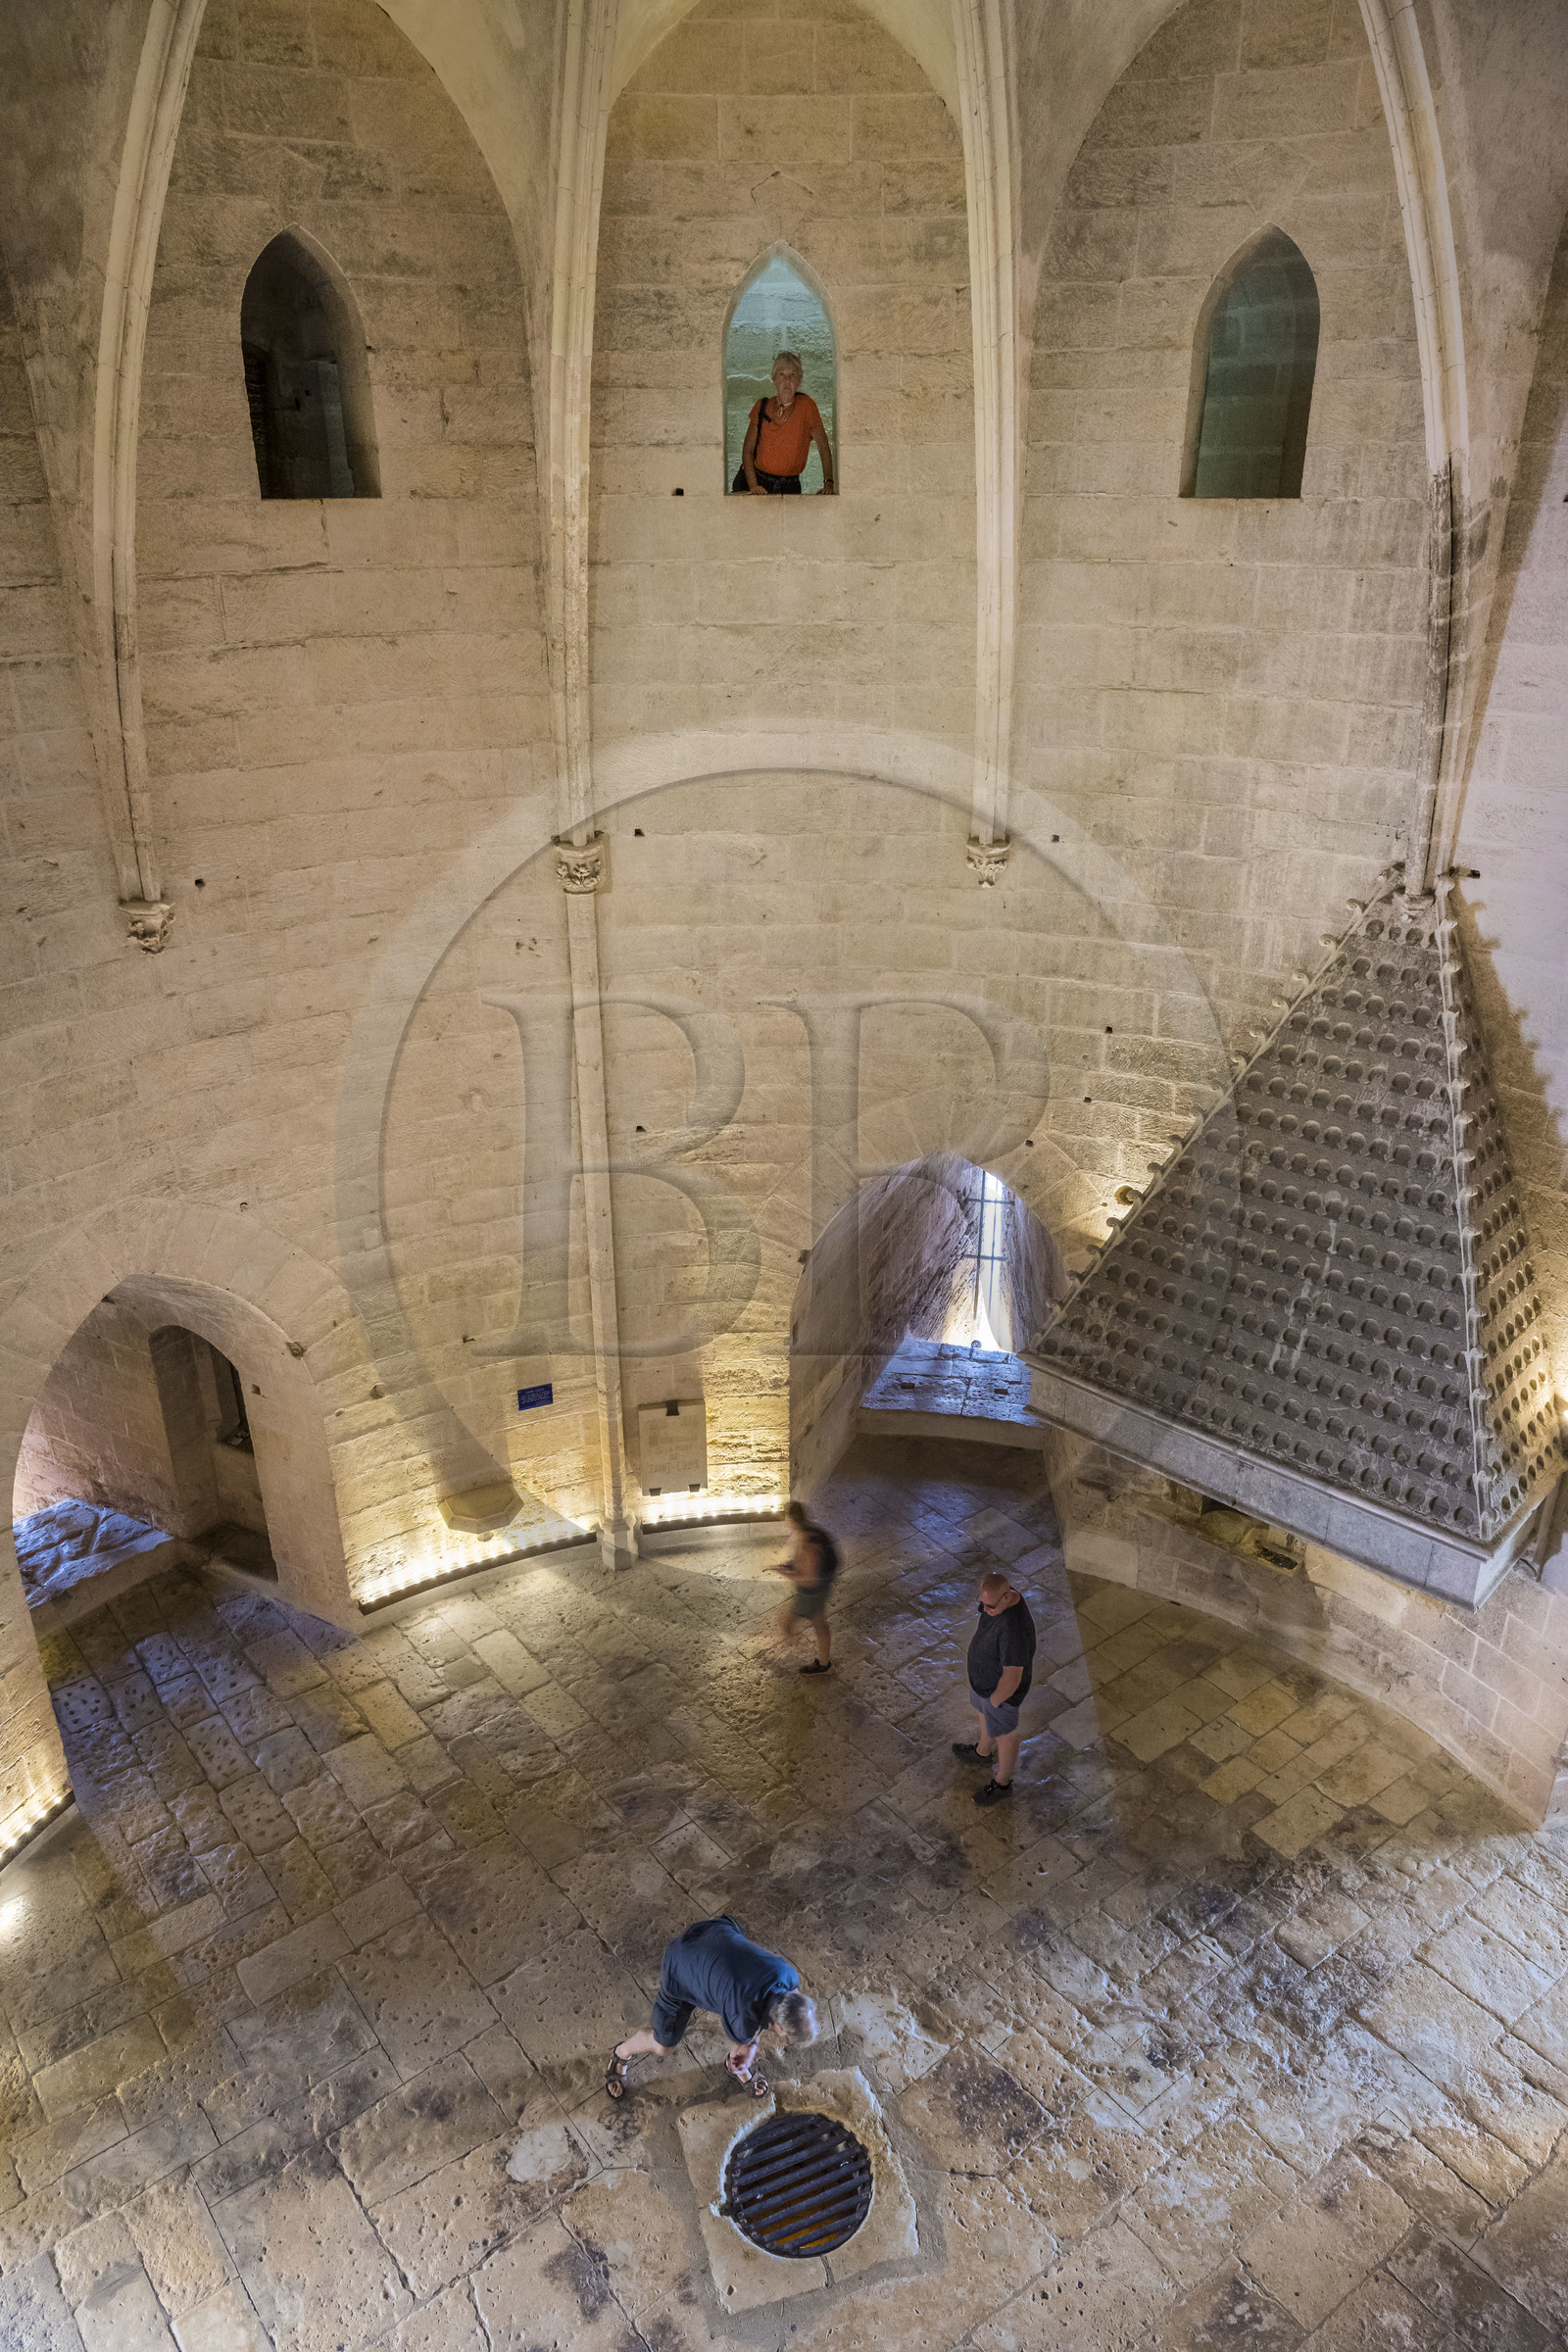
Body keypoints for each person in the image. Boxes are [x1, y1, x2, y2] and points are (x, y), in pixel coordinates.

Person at [608, 1914, 817, 2099]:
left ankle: (736, 2068)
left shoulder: (788, 1975)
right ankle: (621, 2053)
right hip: (680, 1965)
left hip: (716, 1929)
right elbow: (745, 2039)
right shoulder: (744, 2016)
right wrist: (748, 2049)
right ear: (779, 2028)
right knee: (663, 2043)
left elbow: (775, 2006)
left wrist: (750, 2043)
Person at [954, 1571, 1036, 1805]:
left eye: (989, 1606)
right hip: (985, 1683)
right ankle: (981, 1752)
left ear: (1006, 1597)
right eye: (981, 1604)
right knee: (984, 1717)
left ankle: (1002, 1783)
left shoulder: (1014, 1630)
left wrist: (995, 1701)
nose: (984, 1611)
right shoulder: (1002, 1600)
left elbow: (1012, 1677)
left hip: (1000, 1693)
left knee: (1005, 1736)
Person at [733, 351, 837, 496]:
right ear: (774, 378)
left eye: (793, 374)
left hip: (790, 486)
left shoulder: (806, 406)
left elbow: (824, 447)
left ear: (799, 379)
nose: (787, 380)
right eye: (782, 374)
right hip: (760, 481)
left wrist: (828, 484)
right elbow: (748, 451)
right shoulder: (761, 406)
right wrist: (753, 486)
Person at [769, 1498, 838, 1673]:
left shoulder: (808, 1543)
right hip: (818, 1590)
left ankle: (794, 1645)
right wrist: (791, 1564)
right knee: (819, 1622)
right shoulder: (809, 1531)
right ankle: (824, 1664)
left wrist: (787, 1574)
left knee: (786, 1623)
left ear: (791, 1519)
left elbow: (810, 1579)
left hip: (810, 1593)